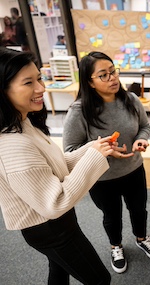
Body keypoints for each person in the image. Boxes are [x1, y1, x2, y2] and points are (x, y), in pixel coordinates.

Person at [0, 47, 133, 284]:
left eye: (39, 78)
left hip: (56, 224)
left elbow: (54, 166)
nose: (41, 88)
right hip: (50, 229)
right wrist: (94, 157)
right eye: (28, 83)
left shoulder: (23, 123)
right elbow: (55, 202)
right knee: (100, 278)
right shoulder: (12, 145)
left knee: (59, 269)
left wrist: (92, 149)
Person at [62, 51, 150, 274]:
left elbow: (145, 127)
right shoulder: (79, 112)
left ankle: (141, 237)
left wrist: (140, 140)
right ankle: (115, 246)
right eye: (103, 75)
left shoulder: (131, 100)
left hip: (134, 169)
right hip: (102, 178)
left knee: (139, 209)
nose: (113, 78)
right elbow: (69, 152)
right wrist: (104, 152)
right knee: (111, 216)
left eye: (113, 71)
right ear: (90, 82)